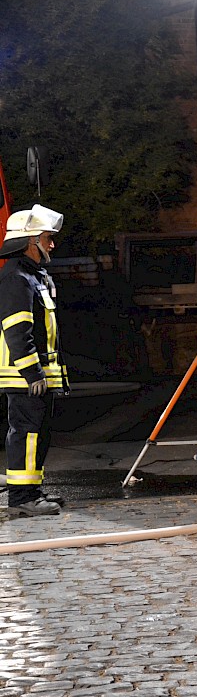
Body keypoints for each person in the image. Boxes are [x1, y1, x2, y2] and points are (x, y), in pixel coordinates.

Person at [0, 205, 70, 518]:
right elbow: (18, 330)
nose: (52, 244)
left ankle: (31, 492)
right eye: (47, 238)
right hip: (24, 377)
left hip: (35, 375)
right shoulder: (16, 279)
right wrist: (32, 372)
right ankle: (21, 499)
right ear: (31, 241)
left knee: (37, 434)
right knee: (27, 434)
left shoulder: (30, 276)